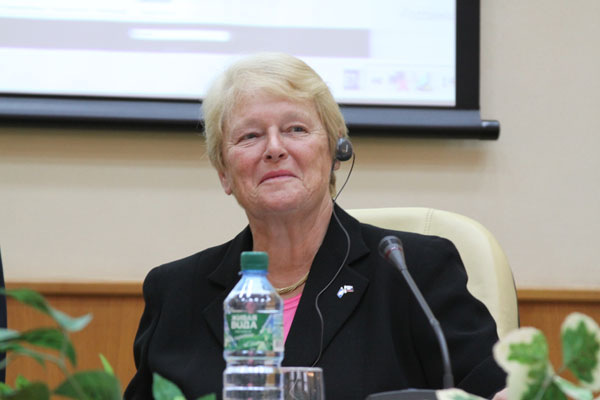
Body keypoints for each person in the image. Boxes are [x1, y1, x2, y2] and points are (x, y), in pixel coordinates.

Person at [124, 53, 506, 400]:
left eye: (295, 129)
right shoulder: (175, 292)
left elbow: (495, 391)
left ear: (336, 152)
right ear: (224, 172)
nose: (274, 148)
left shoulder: (415, 273)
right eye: (250, 136)